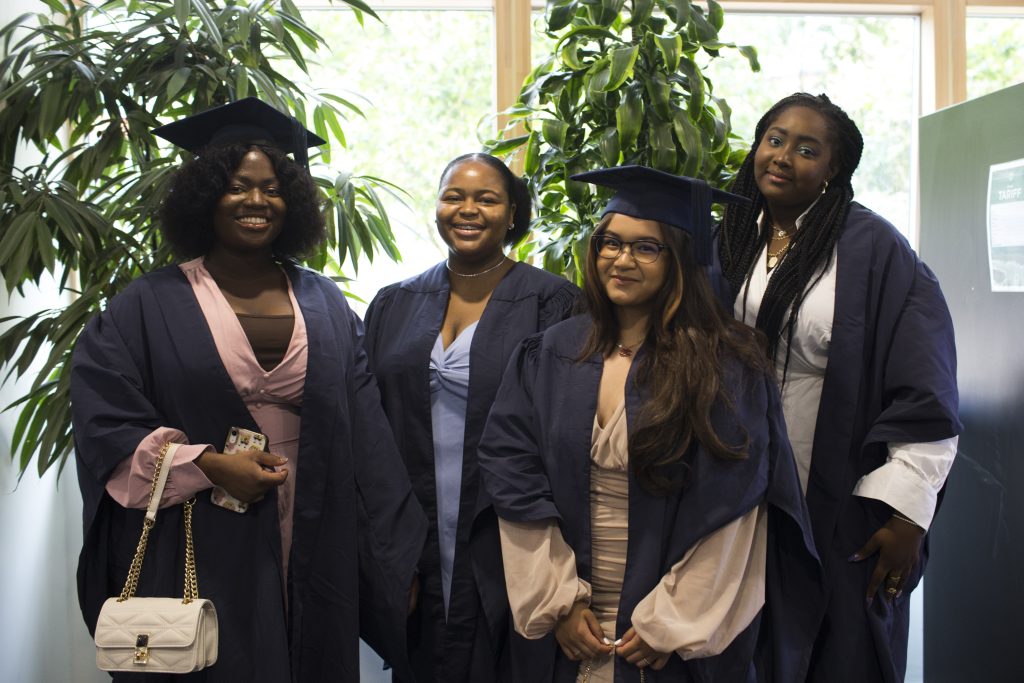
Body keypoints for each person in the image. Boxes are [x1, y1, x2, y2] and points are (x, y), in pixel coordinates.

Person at [71, 97, 427, 682]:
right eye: (237, 185)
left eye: (272, 188)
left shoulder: (325, 301)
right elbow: (103, 419)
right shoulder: (148, 302)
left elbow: (368, 433)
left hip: (313, 521)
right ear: (205, 195)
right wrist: (207, 464)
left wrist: (396, 555)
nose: (257, 201)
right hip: (198, 528)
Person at [478, 165, 824, 682]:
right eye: (610, 243)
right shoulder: (551, 353)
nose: (620, 260)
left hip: (672, 626)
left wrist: (671, 622)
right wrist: (561, 603)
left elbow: (733, 506)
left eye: (645, 248)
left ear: (681, 259)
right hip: (570, 618)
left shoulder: (725, 367)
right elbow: (513, 476)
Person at [717, 92, 961, 682]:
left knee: (839, 644)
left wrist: (908, 514)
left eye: (806, 149)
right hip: (733, 483)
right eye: (774, 139)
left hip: (834, 485)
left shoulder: (872, 248)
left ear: (833, 170)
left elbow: (925, 380)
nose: (782, 156)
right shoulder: (729, 237)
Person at [362, 152, 579, 682]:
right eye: (454, 196)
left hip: (506, 523)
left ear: (512, 214)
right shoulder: (395, 302)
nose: (468, 209)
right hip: (415, 528)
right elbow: (371, 429)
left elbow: (563, 433)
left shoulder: (553, 303)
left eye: (487, 198)